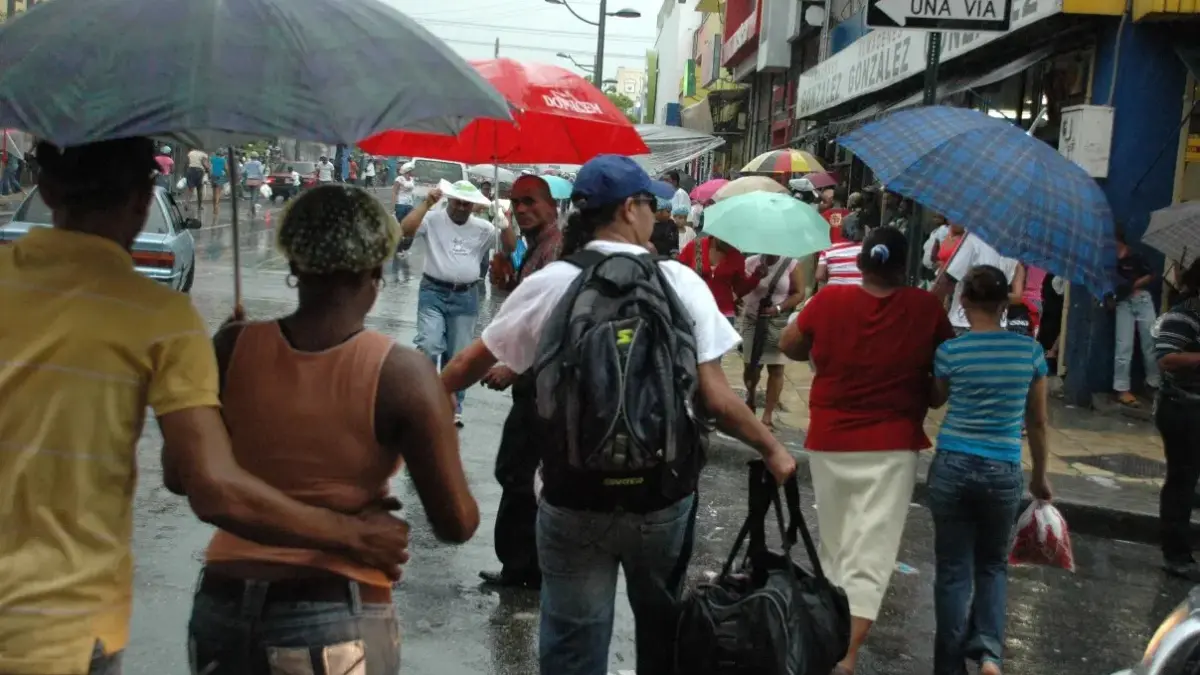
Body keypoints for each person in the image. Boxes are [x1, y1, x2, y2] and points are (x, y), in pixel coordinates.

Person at [0, 138, 412, 675]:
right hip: (57, 628)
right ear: (147, 196)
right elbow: (208, 486)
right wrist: (352, 535)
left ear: (46, 188)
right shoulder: (159, 318)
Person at [439, 154, 796, 674]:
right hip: (662, 497)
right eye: (650, 204)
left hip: (571, 495)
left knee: (571, 640)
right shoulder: (680, 283)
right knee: (662, 630)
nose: (654, 214)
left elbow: (469, 365)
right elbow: (716, 400)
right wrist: (773, 449)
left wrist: (409, 413)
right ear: (631, 209)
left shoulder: (553, 281)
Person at [779, 227, 954, 675]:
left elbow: (790, 345)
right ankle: (846, 656)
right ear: (903, 266)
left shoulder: (830, 301)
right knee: (871, 554)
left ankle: (831, 641)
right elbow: (940, 386)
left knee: (837, 548)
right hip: (893, 446)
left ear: (860, 264)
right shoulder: (926, 308)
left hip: (831, 441)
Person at [928, 264, 1053, 675]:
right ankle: (989, 653)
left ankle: (949, 666)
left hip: (952, 465)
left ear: (963, 300)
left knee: (952, 570)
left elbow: (934, 401)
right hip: (1003, 467)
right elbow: (1036, 421)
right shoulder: (1029, 352)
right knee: (993, 564)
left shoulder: (952, 351)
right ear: (1005, 304)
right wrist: (1040, 476)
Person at [477, 175, 564, 591]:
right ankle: (524, 565)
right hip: (535, 387)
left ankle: (524, 568)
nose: (522, 210)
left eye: (530, 202)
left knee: (518, 473)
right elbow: (526, 310)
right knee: (519, 473)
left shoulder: (557, 250)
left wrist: (515, 366)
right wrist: (506, 280)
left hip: (543, 387)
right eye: (515, 203)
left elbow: (553, 324)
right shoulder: (534, 250)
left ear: (551, 205)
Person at [399, 179, 497, 427]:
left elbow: (508, 247)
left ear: (474, 206)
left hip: (465, 297)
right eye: (458, 201)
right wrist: (426, 203)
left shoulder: (483, 228)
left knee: (457, 357)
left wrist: (503, 221)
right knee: (430, 345)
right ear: (449, 200)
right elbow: (406, 230)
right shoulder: (433, 220)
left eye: (467, 203)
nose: (462, 207)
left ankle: (453, 405)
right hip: (433, 292)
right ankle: (427, 399)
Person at [1151, 258, 1200, 581]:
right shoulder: (1183, 315)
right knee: (1182, 479)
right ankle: (1176, 553)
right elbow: (1167, 359)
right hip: (1183, 408)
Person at [742, 254, 805, 429]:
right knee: (751, 366)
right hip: (752, 319)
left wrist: (778, 308)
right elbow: (740, 288)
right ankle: (750, 397)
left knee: (776, 368)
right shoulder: (750, 262)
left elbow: (799, 293)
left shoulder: (791, 265)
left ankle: (768, 415)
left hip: (776, 322)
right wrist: (755, 277)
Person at [1111, 228, 1161, 407]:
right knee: (1123, 346)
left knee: (1150, 343)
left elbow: (1151, 274)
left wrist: (1134, 284)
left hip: (1142, 300)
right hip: (1123, 303)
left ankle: (1153, 384)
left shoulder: (1135, 255)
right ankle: (1122, 388)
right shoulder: (1109, 260)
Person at [934, 233, 1019, 337]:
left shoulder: (973, 241)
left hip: (964, 324)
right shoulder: (1014, 249)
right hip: (998, 325)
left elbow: (947, 281)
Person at [678, 234, 765, 324]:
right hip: (694, 311)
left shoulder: (736, 256)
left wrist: (757, 275)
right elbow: (678, 272)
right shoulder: (696, 246)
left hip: (724, 314)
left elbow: (739, 288)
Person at [816, 221, 866, 288]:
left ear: (842, 230)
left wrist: (833, 278)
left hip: (834, 291)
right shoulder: (868, 249)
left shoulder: (828, 249)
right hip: (861, 291)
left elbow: (819, 275)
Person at [391, 162, 417, 283]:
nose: (413, 172)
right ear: (407, 170)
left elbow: (412, 193)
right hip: (400, 205)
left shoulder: (411, 179)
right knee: (401, 228)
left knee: (410, 227)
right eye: (411, 170)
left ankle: (404, 247)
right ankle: (398, 249)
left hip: (409, 205)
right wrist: (393, 206)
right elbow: (394, 192)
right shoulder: (399, 179)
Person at [185, 147, 210, 214]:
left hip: (190, 170)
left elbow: (187, 163)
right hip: (199, 171)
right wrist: (208, 170)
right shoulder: (203, 154)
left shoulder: (190, 153)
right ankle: (199, 206)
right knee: (199, 189)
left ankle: (187, 203)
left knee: (190, 189)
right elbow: (205, 164)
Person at [242, 151, 266, 217]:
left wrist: (246, 177)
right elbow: (261, 172)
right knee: (254, 197)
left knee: (252, 196)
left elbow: (243, 171)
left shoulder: (247, 163)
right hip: (256, 181)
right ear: (257, 157)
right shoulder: (259, 163)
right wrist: (263, 180)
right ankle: (249, 211)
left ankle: (253, 212)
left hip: (249, 181)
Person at [209, 150, 228, 216]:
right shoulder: (223, 160)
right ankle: (216, 206)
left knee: (214, 193)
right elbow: (226, 168)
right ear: (221, 154)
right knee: (218, 193)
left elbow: (210, 168)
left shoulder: (212, 159)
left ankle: (214, 207)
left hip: (213, 176)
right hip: (220, 176)